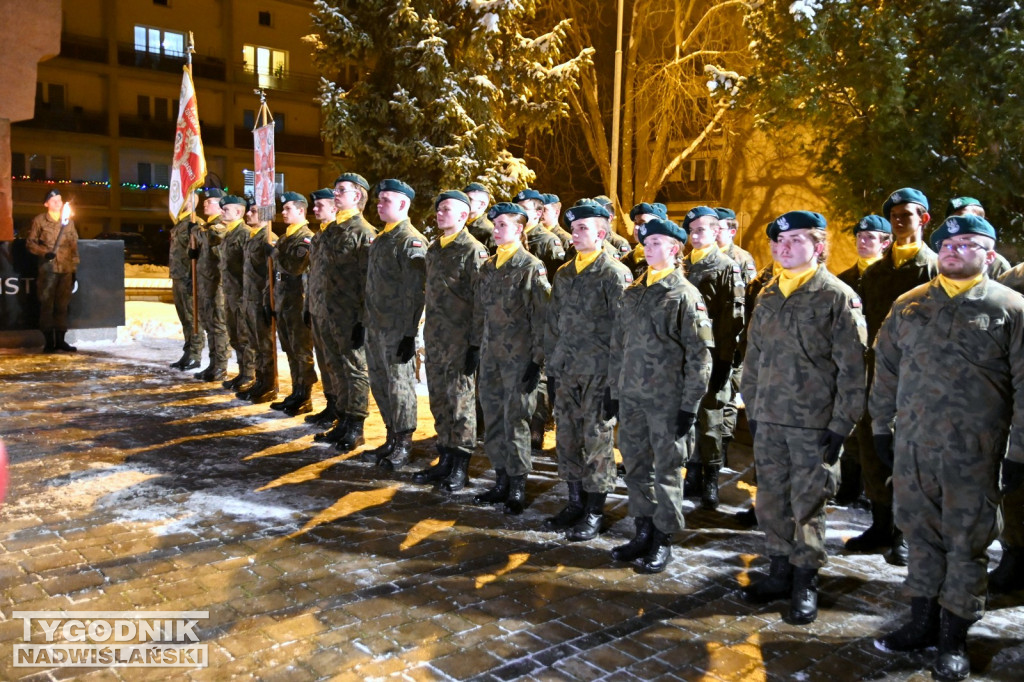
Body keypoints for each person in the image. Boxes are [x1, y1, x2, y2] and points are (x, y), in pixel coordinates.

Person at [871, 214, 1024, 681]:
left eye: (967, 244)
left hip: (975, 453)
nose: (954, 251)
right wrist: (880, 428)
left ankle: (954, 637)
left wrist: (1018, 452)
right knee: (920, 536)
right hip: (915, 448)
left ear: (990, 255)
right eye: (947, 245)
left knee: (966, 544)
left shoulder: (1010, 308)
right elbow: (885, 371)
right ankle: (922, 622)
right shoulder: (909, 304)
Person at [740, 210, 867, 625]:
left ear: (819, 246)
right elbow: (754, 358)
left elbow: (853, 369)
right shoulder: (768, 294)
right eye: (780, 241)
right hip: (769, 419)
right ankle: (779, 571)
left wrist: (842, 423)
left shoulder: (836, 296)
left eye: (797, 239)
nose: (785, 247)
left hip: (814, 423)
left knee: (808, 506)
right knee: (770, 500)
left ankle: (805, 580)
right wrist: (752, 407)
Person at [608, 217, 712, 572]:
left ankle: (663, 539)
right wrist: (614, 390)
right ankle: (643, 531)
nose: (648, 248)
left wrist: (690, 405)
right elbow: (618, 347)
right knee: (636, 468)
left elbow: (700, 356)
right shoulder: (634, 291)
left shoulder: (684, 295)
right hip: (632, 397)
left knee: (666, 471)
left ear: (674, 248)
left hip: (667, 401)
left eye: (656, 243)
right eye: (646, 243)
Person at [848, 188, 938, 566]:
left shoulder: (935, 269)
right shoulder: (877, 272)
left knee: (909, 455)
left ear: (924, 219)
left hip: (917, 377)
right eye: (895, 216)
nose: (900, 221)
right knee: (873, 449)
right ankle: (881, 524)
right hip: (877, 373)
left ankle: (905, 533)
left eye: (908, 215)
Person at [543, 202, 633, 540]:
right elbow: (554, 325)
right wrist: (552, 370)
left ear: (601, 234)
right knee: (567, 438)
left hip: (599, 374)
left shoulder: (614, 273)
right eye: (573, 229)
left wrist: (616, 383)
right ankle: (575, 502)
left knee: (596, 441)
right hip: (567, 371)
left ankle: (595, 511)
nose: (575, 234)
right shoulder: (565, 273)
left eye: (583, 228)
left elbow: (623, 333)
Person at [473, 202, 551, 515]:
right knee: (492, 419)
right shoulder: (488, 266)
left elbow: (542, 318)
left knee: (515, 421)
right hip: (490, 357)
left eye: (503, 225)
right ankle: (501, 480)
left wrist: (537, 360)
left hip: (519, 360)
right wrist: (475, 347)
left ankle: (518, 485)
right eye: (495, 225)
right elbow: (480, 312)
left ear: (519, 229)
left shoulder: (530, 266)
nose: (496, 230)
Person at [414, 190, 488, 491]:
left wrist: (475, 344)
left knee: (461, 404)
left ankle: (460, 465)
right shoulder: (434, 248)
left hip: (460, 342)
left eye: (447, 209)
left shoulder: (473, 250)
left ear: (463, 215)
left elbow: (481, 302)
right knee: (439, 401)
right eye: (439, 209)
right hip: (435, 338)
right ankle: (444, 457)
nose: (440, 214)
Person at [681, 206, 745, 510]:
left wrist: (724, 361)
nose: (695, 236)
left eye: (701, 230)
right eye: (691, 231)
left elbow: (733, 319)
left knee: (710, 420)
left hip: (711, 356)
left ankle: (711, 478)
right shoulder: (681, 265)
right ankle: (692, 473)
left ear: (716, 230)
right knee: (688, 417)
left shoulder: (726, 267)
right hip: (683, 356)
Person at [362, 179, 428, 470]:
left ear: (403, 203)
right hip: (375, 325)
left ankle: (403, 442)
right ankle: (390, 436)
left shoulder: (410, 240)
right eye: (379, 199)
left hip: (397, 329)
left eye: (386, 200)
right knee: (380, 383)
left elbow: (416, 292)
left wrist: (409, 332)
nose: (379, 204)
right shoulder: (381, 238)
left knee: (400, 386)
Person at [310, 174, 378, 453]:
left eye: (341, 190)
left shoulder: (364, 232)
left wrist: (363, 319)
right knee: (335, 367)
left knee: (354, 370)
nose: (335, 195)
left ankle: (356, 426)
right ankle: (342, 418)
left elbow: (368, 282)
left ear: (357, 196)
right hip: (328, 312)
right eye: (335, 190)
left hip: (350, 316)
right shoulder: (331, 230)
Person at [833, 214, 891, 505]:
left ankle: (875, 493)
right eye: (859, 236)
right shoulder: (845, 279)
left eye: (870, 237)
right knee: (850, 422)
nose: (863, 242)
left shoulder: (889, 277)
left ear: (885, 243)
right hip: (852, 360)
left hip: (881, 363)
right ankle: (849, 485)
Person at [268, 191, 317, 416]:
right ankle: (296, 391)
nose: (283, 212)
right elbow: (276, 274)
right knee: (289, 348)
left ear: (301, 211)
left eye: (288, 209)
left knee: (301, 350)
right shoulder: (285, 238)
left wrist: (274, 252)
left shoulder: (306, 238)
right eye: (283, 208)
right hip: (284, 301)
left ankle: (305, 395)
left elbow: (294, 267)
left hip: (298, 302)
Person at [304, 188, 341, 427]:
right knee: (324, 361)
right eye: (314, 205)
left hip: (334, 312)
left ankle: (341, 409)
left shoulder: (338, 234)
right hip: (317, 308)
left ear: (334, 207)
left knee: (336, 363)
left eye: (320, 205)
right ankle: (331, 404)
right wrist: (308, 305)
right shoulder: (319, 236)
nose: (315, 209)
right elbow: (312, 275)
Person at [26, 188, 79, 353]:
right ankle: (49, 342)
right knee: (47, 305)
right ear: (46, 204)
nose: (58, 203)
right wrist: (44, 253)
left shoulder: (68, 222)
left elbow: (74, 246)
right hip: (48, 269)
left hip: (65, 268)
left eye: (60, 200)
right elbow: (30, 243)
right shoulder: (40, 221)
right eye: (54, 200)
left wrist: (74, 268)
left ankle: (61, 341)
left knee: (62, 305)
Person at [237, 199, 278, 404]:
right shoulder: (252, 237)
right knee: (255, 343)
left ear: (264, 214)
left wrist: (269, 301)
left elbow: (275, 274)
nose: (248, 214)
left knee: (265, 345)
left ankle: (269, 384)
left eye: (253, 211)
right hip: (249, 299)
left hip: (262, 301)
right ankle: (260, 380)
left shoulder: (269, 238)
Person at [212, 195, 254, 393]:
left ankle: (250, 374)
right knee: (235, 335)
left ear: (238, 212)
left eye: (226, 209)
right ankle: (242, 371)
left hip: (241, 295)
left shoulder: (244, 233)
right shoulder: (229, 233)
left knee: (245, 336)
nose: (221, 212)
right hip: (230, 293)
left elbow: (248, 268)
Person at [192, 188, 230, 381]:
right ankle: (213, 363)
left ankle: (221, 366)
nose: (204, 204)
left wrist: (196, 231)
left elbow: (213, 238)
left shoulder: (220, 225)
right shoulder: (207, 227)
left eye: (210, 201)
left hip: (217, 286)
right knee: (209, 325)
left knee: (218, 326)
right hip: (206, 285)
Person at [168, 193, 203, 370]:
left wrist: (194, 277)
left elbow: (201, 254)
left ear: (192, 202)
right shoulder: (180, 223)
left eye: (184, 199)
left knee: (193, 318)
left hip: (189, 277)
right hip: (178, 276)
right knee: (184, 318)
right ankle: (188, 351)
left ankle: (195, 355)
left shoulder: (195, 223)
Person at [945, 196, 1012, 278]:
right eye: (953, 222)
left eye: (967, 220)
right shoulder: (940, 258)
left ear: (982, 222)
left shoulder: (998, 265)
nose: (959, 226)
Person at [621, 202, 667, 280]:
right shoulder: (627, 258)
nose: (636, 228)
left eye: (642, 223)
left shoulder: (667, 260)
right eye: (635, 223)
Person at [592, 195, 632, 260]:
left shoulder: (620, 243)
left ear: (610, 218)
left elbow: (625, 265)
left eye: (598, 215)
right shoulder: (585, 240)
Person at [464, 182, 497, 255]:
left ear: (482, 204)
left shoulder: (489, 231)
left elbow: (490, 258)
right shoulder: (459, 222)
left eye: (469, 199)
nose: (464, 202)